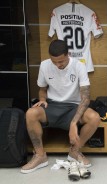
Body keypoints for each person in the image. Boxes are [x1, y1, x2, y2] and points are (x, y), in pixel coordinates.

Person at [21, 40, 101, 174]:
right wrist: (42, 99)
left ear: (68, 54)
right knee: (30, 113)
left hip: (73, 106)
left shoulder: (79, 66)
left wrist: (74, 123)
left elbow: (86, 98)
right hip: (52, 105)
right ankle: (40, 156)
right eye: (54, 62)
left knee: (94, 117)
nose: (58, 65)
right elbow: (42, 89)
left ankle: (74, 151)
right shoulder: (45, 65)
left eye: (61, 61)